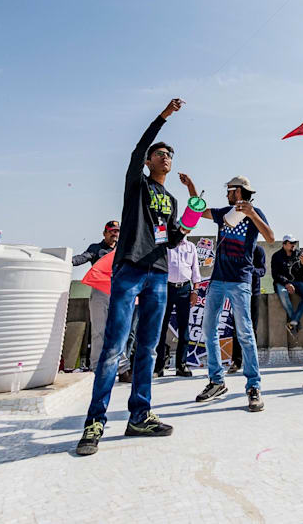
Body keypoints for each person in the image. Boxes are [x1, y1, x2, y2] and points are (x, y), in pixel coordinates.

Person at [76, 99, 189, 456]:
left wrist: (187, 220)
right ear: (147, 161)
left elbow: (172, 235)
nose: (165, 156)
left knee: (148, 348)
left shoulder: (168, 198)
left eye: (169, 154)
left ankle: (140, 415)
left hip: (158, 274)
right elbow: (139, 146)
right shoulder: (136, 185)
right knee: (113, 347)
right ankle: (95, 421)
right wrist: (164, 118)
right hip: (129, 269)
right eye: (159, 153)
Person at [185, 174, 275, 413]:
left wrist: (253, 214)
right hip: (217, 280)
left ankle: (254, 386)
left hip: (240, 282)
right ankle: (216, 381)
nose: (226, 193)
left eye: (230, 190)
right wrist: (192, 187)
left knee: (245, 332)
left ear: (240, 191)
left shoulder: (256, 213)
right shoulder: (225, 213)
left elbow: (270, 237)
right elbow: (199, 209)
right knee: (208, 330)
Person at [73, 220, 119, 371]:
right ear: (104, 233)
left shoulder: (123, 248)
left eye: (117, 231)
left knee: (119, 331)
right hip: (100, 294)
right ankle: (96, 366)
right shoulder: (96, 248)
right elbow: (83, 257)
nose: (115, 234)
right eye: (111, 231)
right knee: (99, 331)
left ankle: (120, 368)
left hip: (119, 293)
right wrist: (68, 261)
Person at [156, 236, 200, 377]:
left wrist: (195, 291)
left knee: (184, 328)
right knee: (161, 328)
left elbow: (195, 271)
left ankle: (181, 365)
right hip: (167, 288)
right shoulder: (167, 245)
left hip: (185, 290)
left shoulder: (191, 247)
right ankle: (159, 366)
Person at [229, 245, 266, 373]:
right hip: (238, 293)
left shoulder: (259, 251)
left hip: (253, 293)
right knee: (237, 328)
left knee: (252, 328)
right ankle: (236, 361)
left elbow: (262, 271)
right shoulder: (236, 249)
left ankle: (251, 362)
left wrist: (250, 270)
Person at [271, 235, 303, 334]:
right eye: (291, 243)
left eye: (294, 243)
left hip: (299, 281)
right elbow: (275, 274)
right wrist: (287, 283)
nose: (293, 245)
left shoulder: (299, 254)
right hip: (282, 282)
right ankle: (295, 321)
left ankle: (293, 321)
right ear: (284, 244)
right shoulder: (276, 256)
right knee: (283, 295)